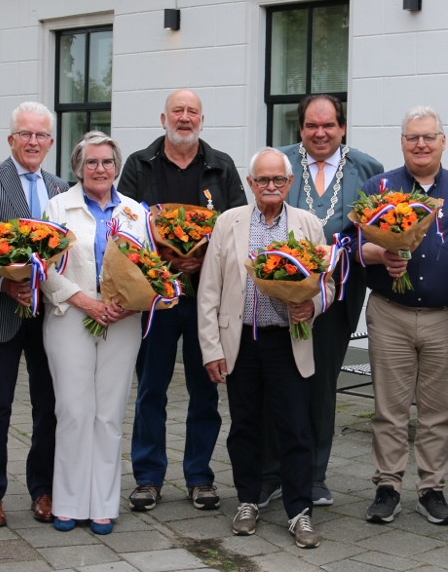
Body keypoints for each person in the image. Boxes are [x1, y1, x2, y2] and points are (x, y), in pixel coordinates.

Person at [118, 89, 246, 512]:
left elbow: (237, 227)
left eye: (192, 112)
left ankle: (199, 476)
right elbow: (125, 225)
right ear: (164, 118)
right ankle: (148, 476)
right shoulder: (139, 164)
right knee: (150, 388)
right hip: (155, 296)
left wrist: (203, 258)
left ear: (202, 120)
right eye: (178, 111)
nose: (185, 118)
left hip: (205, 299)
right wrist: (166, 257)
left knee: (205, 389)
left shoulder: (222, 165)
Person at [198, 147, 333, 549]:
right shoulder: (229, 222)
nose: (270, 186)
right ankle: (247, 501)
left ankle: (299, 511)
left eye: (278, 179)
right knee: (244, 427)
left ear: (289, 183)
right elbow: (209, 290)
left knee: (294, 428)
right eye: (262, 180)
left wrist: (312, 305)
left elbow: (327, 283)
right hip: (241, 340)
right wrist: (211, 348)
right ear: (251, 183)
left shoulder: (308, 223)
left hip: (287, 340)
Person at [358, 107, 448, 525]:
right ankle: (387, 486)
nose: (421, 144)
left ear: (443, 141)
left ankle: (432, 489)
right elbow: (355, 246)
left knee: (437, 412)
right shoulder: (378, 189)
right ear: (402, 142)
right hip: (390, 312)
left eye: (429, 137)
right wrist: (380, 252)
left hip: (446, 316)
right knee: (389, 409)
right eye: (413, 137)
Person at [261, 94, 382, 507]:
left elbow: (371, 230)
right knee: (277, 380)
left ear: (342, 127)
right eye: (311, 125)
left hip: (337, 294)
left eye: (329, 125)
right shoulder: (280, 162)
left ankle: (313, 474)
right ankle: (272, 472)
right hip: (281, 291)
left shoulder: (368, 169)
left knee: (321, 385)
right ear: (300, 129)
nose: (320, 133)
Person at [0, 101, 70, 527]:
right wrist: (3, 283)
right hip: (0, 311)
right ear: (11, 139)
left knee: (49, 405)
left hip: (50, 314)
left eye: (40, 134)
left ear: (50, 142)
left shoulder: (60, 188)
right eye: (25, 133)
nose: (32, 141)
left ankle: (43, 489)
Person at [40, 131, 147, 535]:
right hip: (71, 315)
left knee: (109, 413)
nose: (100, 169)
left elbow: (148, 267)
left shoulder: (136, 212)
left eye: (107, 162)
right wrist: (86, 302)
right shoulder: (58, 206)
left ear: (116, 167)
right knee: (73, 410)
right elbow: (44, 267)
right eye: (91, 162)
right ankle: (68, 501)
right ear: (78, 167)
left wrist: (129, 304)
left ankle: (103, 504)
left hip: (122, 321)